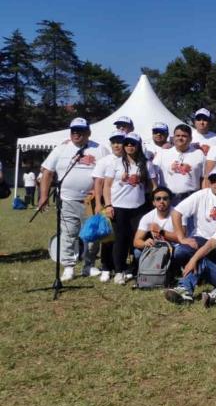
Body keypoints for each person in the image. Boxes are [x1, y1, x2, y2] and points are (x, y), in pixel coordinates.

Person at [38, 117, 108, 281]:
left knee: (92, 235)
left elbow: (109, 171)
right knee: (68, 234)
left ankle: (89, 265)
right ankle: (68, 266)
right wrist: (43, 196)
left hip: (91, 202)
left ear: (88, 133)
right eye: (73, 131)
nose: (77, 134)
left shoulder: (100, 149)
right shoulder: (60, 149)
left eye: (81, 131)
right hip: (67, 199)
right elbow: (47, 172)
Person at [103, 132, 157, 284]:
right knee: (119, 240)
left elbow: (154, 186)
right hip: (119, 207)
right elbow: (106, 186)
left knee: (138, 239)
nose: (129, 146)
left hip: (138, 207)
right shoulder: (115, 163)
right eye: (126, 143)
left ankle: (135, 268)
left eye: (132, 143)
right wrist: (108, 205)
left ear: (138, 145)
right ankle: (119, 270)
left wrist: (156, 203)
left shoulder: (146, 164)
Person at [171, 167, 216, 269]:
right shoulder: (201, 195)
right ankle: (198, 266)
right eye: (213, 180)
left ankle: (204, 267)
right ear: (209, 182)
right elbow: (176, 212)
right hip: (202, 238)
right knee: (180, 252)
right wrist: (181, 238)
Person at [93, 131, 126, 282]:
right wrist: (100, 204)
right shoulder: (104, 161)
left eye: (120, 142)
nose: (117, 145)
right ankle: (106, 266)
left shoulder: (129, 159)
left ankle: (120, 266)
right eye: (114, 142)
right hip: (108, 204)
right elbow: (98, 183)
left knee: (122, 237)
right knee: (107, 236)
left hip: (124, 204)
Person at [155, 124, 206, 205]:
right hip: (167, 199)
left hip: (191, 198)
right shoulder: (162, 154)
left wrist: (204, 197)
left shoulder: (199, 154)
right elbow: (152, 175)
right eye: (177, 135)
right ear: (173, 138)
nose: (180, 138)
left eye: (184, 136)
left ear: (190, 138)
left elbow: (204, 178)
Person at [133, 186, 180, 258]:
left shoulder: (177, 214)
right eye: (158, 199)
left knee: (180, 252)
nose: (161, 201)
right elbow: (136, 241)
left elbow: (181, 239)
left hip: (174, 247)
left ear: (170, 200)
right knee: (137, 252)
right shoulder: (147, 217)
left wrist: (161, 232)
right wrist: (145, 243)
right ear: (153, 202)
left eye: (165, 198)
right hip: (157, 248)